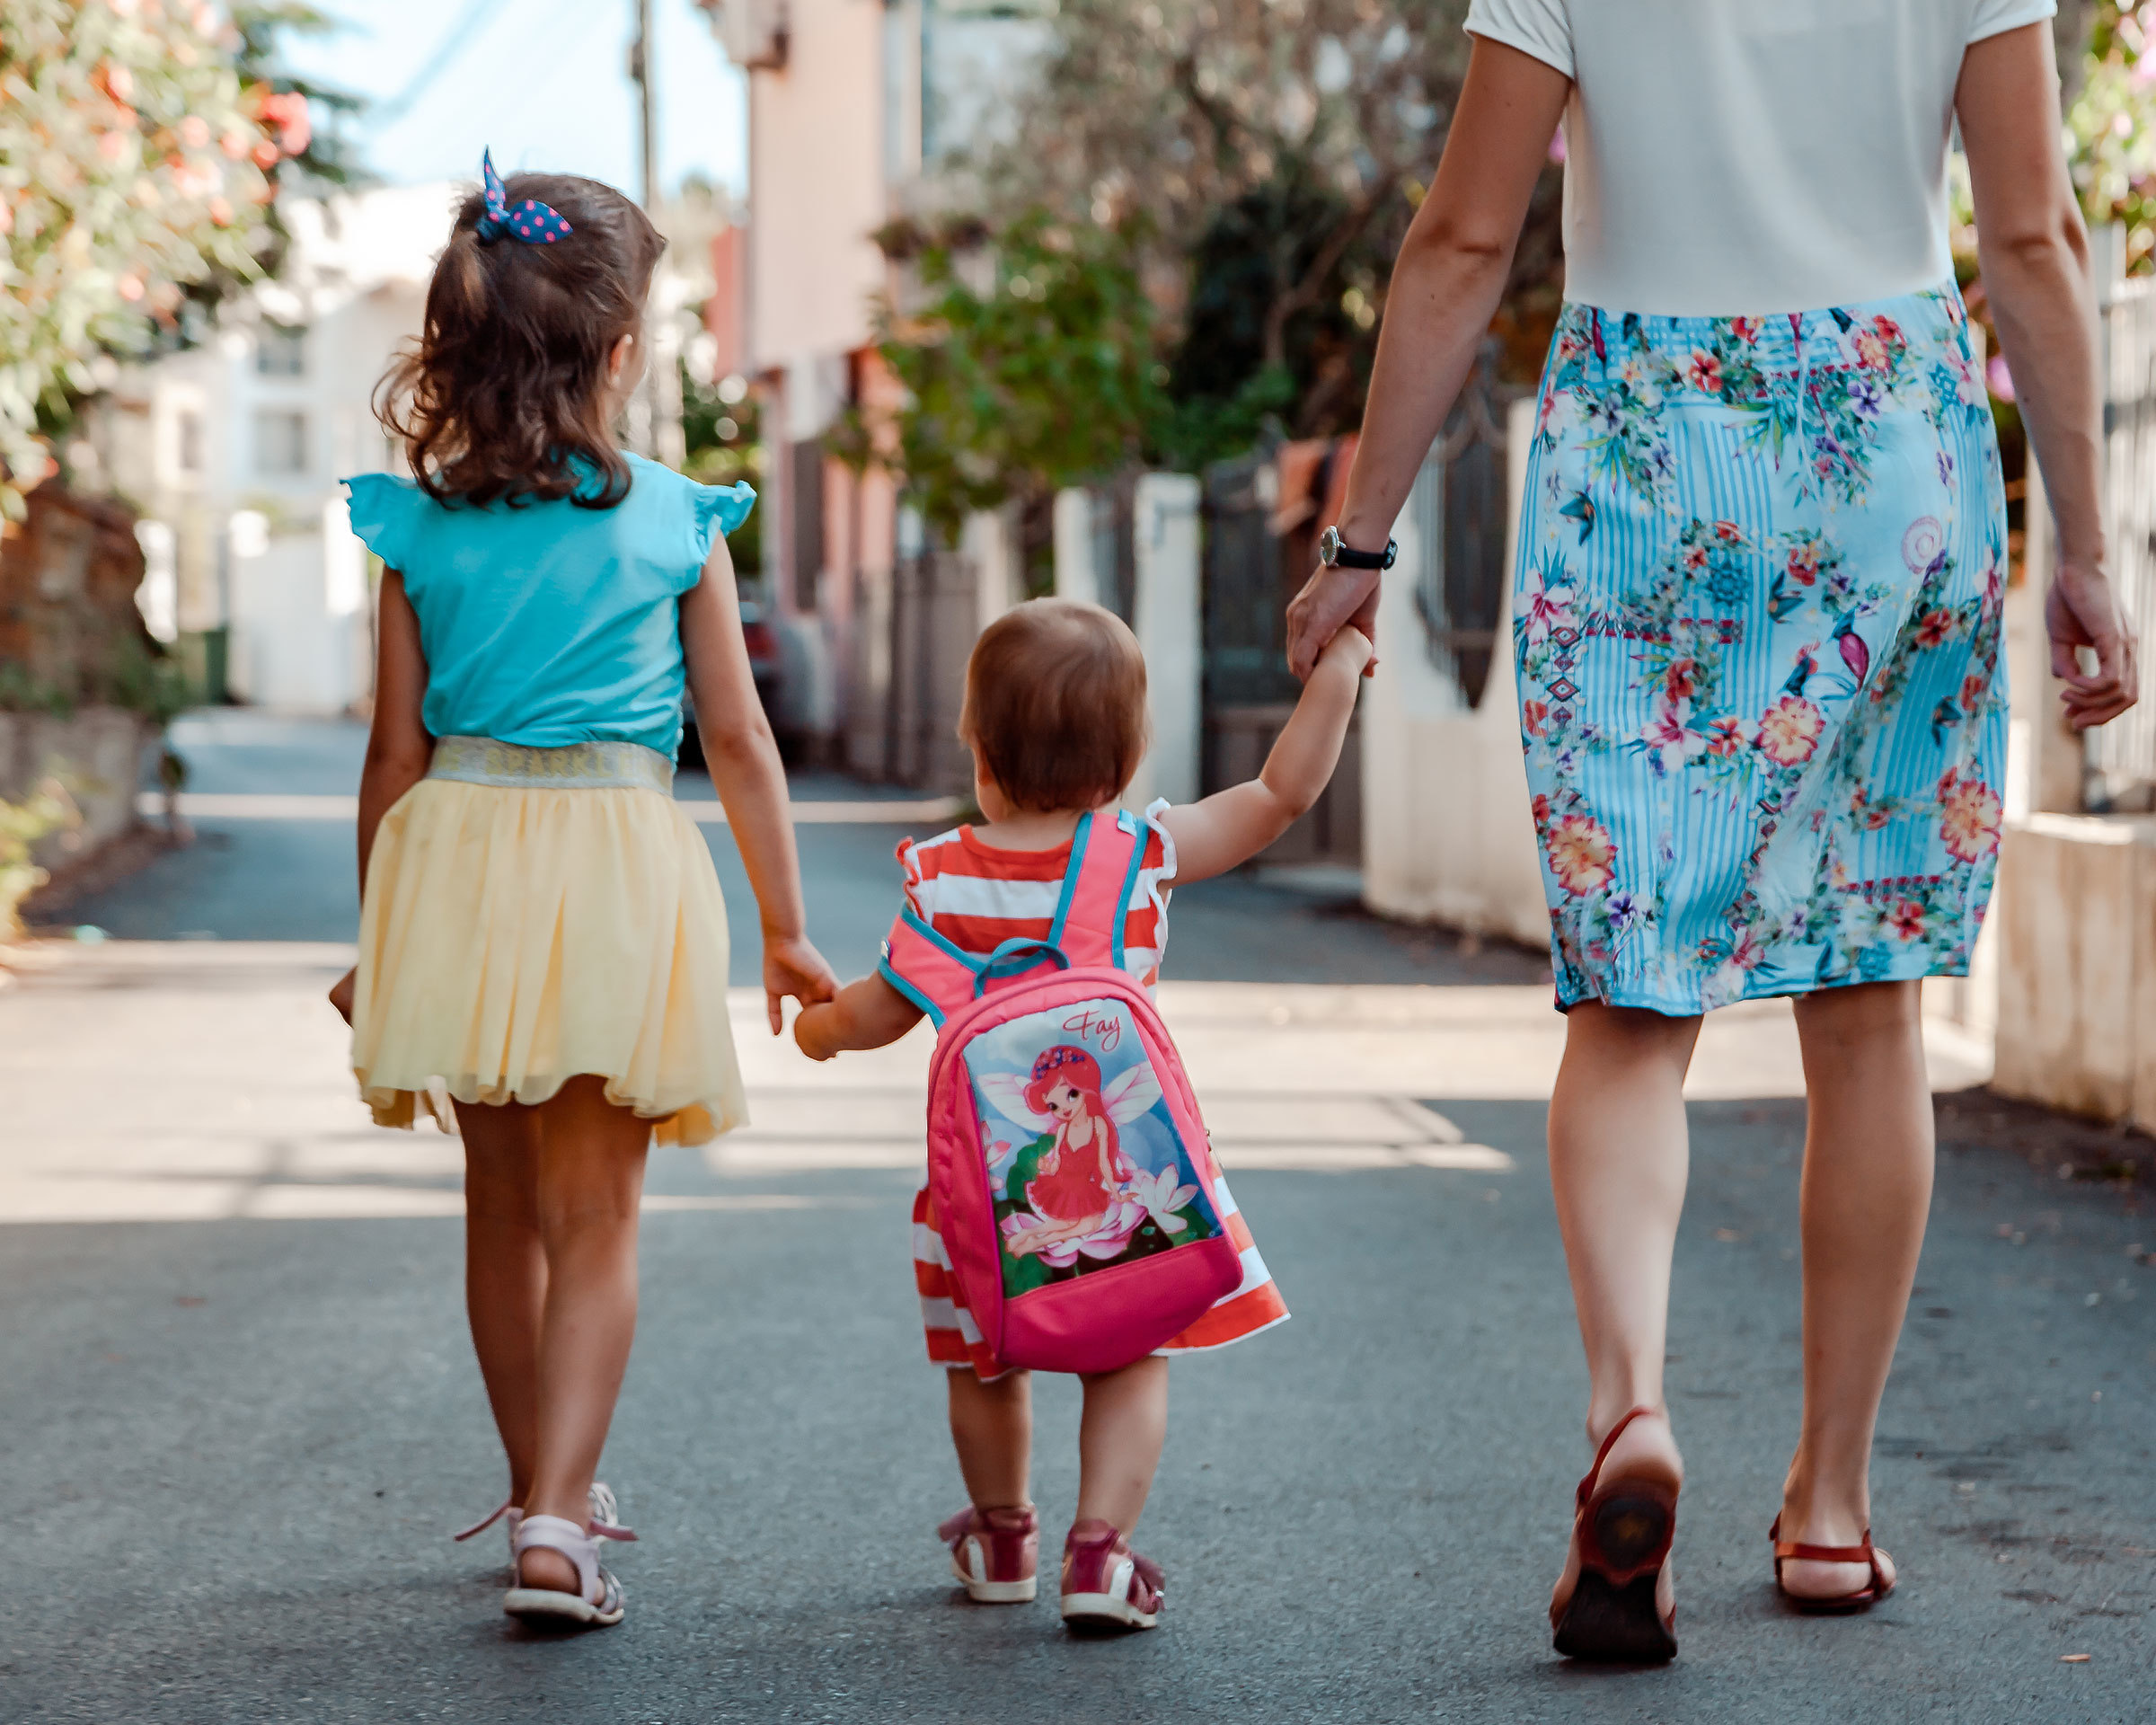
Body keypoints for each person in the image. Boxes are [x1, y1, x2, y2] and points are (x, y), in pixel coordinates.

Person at [1283, 3, 2138, 1662]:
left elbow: (1465, 233)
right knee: (1871, 999)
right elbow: (2030, 236)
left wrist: (1365, 542)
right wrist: (2087, 544)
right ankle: (1829, 1509)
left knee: (1632, 1000)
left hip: (1645, 446)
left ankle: (1631, 1414)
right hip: (1893, 443)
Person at [328, 154, 836, 1628]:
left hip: (462, 859)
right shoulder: (679, 521)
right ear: (621, 352)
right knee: (599, 1216)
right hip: (617, 863)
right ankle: (561, 1512)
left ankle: (543, 1493)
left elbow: (391, 753)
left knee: (500, 1208)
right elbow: (735, 740)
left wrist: (381, 939)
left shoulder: (414, 526)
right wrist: (790, 931)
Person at [792, 598, 1369, 1630]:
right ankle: (1100, 1554)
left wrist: (817, 1031)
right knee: (1130, 1357)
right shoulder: (1138, 856)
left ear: (978, 747)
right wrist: (1339, 670)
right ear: (1129, 752)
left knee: (982, 1364)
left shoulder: (941, 879)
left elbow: (876, 1014)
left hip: (985, 1206)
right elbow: (1280, 794)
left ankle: (1003, 1532)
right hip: (1126, 1195)